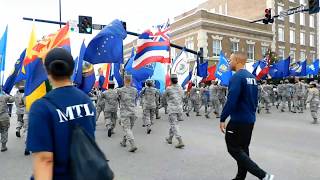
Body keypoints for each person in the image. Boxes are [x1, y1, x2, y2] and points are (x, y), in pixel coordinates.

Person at [27, 48, 96, 180]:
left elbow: (44, 160)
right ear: (72, 70)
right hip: (86, 173)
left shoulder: (41, 107)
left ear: (47, 71)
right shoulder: (86, 100)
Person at [219, 52, 274, 180]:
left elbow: (231, 100)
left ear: (238, 61)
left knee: (233, 148)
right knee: (243, 149)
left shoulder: (237, 77)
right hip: (249, 120)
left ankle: (263, 175)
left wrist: (222, 118)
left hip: (238, 120)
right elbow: (255, 101)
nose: (229, 62)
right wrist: (252, 118)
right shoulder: (252, 77)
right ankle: (240, 177)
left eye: (231, 60)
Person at [163, 74, 185, 149]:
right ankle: (170, 138)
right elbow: (183, 97)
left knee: (174, 124)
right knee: (174, 123)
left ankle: (180, 141)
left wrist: (165, 104)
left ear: (171, 80)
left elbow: (163, 97)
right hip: (179, 109)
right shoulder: (181, 88)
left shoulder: (168, 88)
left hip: (172, 109)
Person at [117, 75, 138, 153]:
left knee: (127, 128)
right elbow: (136, 99)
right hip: (133, 112)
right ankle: (124, 141)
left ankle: (133, 145)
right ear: (131, 81)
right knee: (129, 129)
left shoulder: (120, 90)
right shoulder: (135, 90)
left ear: (124, 80)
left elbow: (117, 98)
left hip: (125, 112)